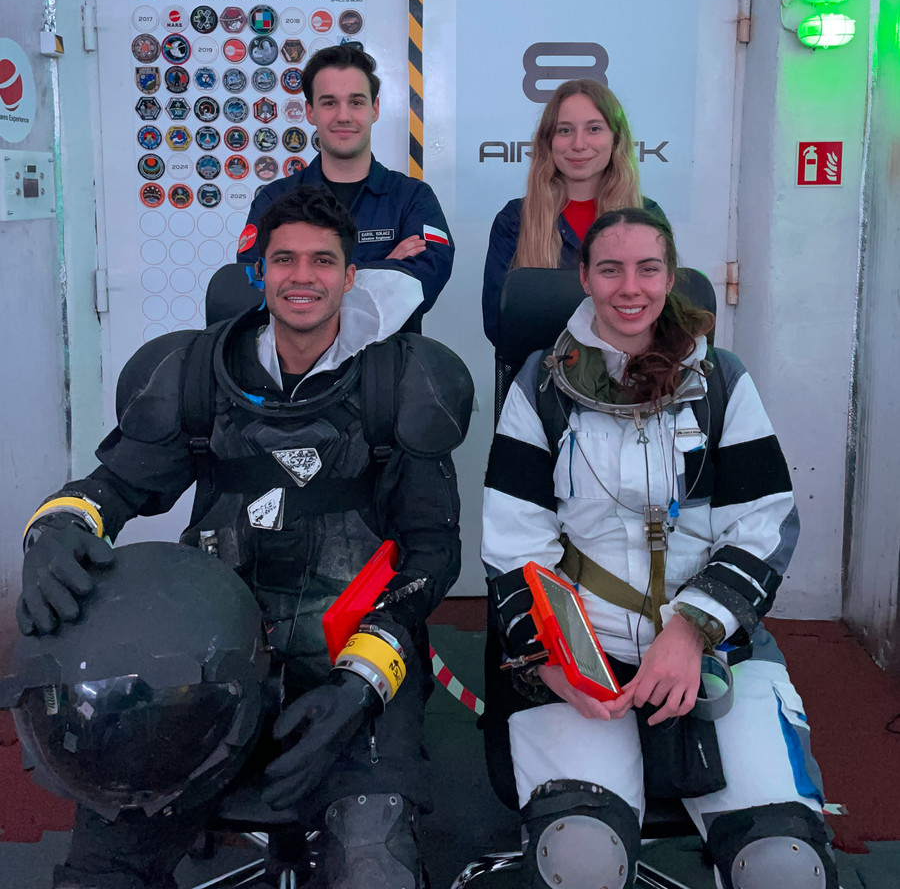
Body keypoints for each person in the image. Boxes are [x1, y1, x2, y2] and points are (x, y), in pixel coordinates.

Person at [16, 185, 473, 889]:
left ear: (351, 276)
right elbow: (115, 487)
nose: (302, 276)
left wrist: (362, 683)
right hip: (202, 662)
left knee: (374, 868)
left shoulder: (401, 381)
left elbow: (432, 554)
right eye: (284, 259)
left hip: (352, 661)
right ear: (258, 272)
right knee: (104, 870)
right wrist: (55, 527)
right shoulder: (197, 377)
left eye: (323, 260)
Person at [482, 208, 838, 889]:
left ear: (670, 278)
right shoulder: (540, 385)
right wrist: (550, 658)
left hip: (716, 653)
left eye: (648, 269)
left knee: (783, 868)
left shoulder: (721, 381)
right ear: (584, 277)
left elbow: (763, 524)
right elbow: (513, 539)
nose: (630, 287)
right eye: (610, 269)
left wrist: (692, 628)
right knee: (579, 862)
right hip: (587, 656)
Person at [238, 44, 453, 318]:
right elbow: (254, 281)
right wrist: (384, 268)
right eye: (329, 103)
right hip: (298, 347)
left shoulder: (413, 198)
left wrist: (313, 281)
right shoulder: (274, 200)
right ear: (310, 111)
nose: (343, 116)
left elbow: (424, 284)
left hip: (390, 347)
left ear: (374, 109)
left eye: (356, 102)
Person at [482, 78, 664, 348]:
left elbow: (663, 315)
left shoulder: (647, 216)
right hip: (541, 369)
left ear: (616, 139)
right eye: (565, 130)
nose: (579, 144)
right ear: (548, 141)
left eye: (594, 129)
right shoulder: (514, 220)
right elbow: (498, 325)